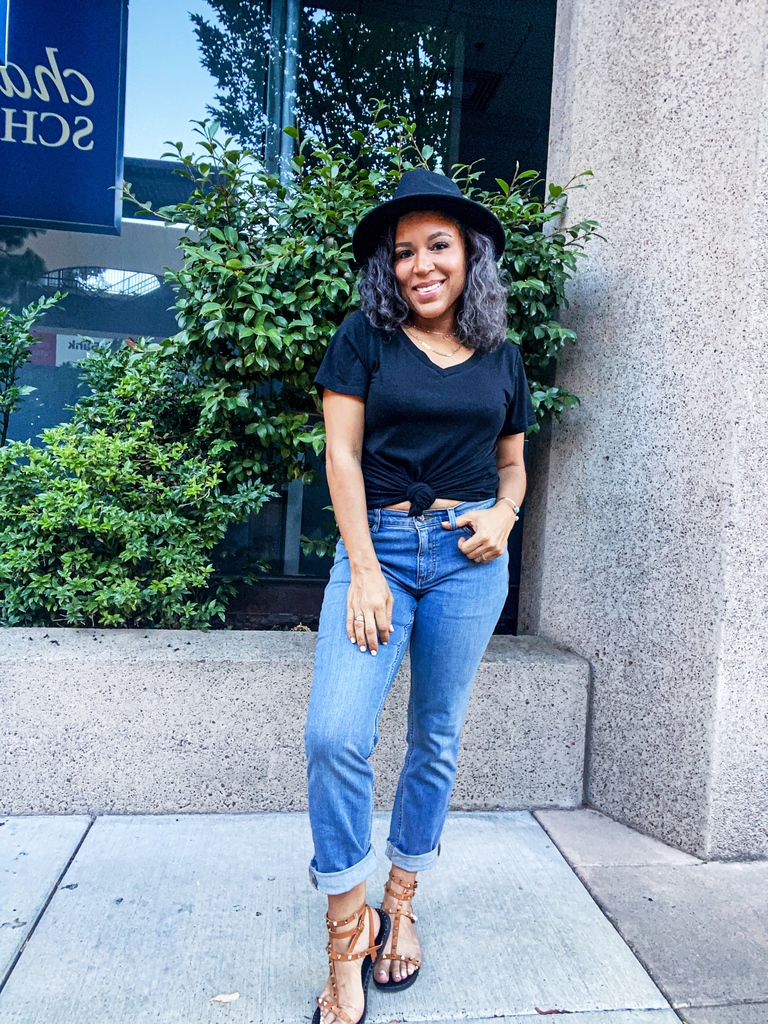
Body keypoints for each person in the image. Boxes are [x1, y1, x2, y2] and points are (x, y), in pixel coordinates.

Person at [305, 168, 536, 1024]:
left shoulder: (504, 357)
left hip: (471, 562)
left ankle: (400, 899)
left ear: (469, 259)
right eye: (404, 252)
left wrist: (505, 517)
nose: (419, 265)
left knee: (434, 737)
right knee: (335, 734)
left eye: (438, 247)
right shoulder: (363, 340)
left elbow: (512, 464)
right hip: (384, 555)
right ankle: (344, 935)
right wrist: (364, 569)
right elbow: (341, 460)